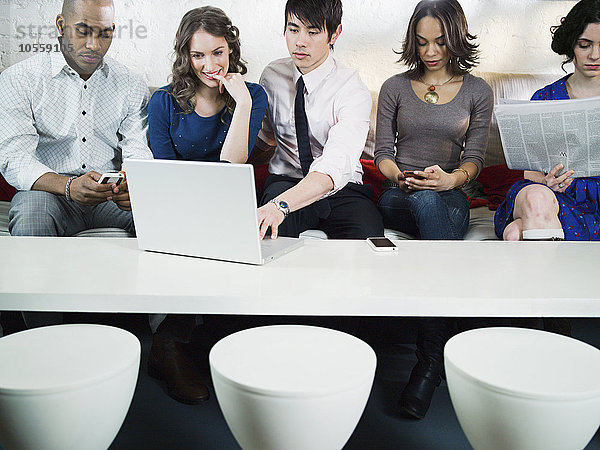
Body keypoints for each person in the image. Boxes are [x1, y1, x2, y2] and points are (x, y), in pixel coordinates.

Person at [374, 0, 493, 419]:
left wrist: (449, 180)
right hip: (399, 195)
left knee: (433, 200)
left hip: (452, 196)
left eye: (440, 41)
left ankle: (430, 360)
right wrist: (399, 177)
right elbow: (383, 154)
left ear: (456, 38)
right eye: (422, 42)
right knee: (422, 198)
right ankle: (434, 359)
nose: (430, 51)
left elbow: (474, 158)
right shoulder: (393, 87)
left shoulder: (478, 91)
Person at [146, 6, 268, 405]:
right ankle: (170, 346)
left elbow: (234, 167)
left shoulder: (253, 96)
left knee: (231, 240)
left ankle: (202, 345)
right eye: (198, 55)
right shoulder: (164, 101)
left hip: (229, 205)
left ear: (231, 50)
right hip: (178, 204)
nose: (209, 65)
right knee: (193, 236)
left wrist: (243, 103)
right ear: (186, 55)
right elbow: (163, 173)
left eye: (218, 53)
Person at [0, 0, 152, 237]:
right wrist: (68, 186)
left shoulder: (131, 84)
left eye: (104, 34)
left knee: (160, 212)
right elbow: (15, 159)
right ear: (61, 25)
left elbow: (138, 151)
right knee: (32, 213)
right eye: (82, 31)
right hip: (49, 195)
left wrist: (130, 184)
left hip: (109, 198)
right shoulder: (19, 80)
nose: (93, 45)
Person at [495, 0, 600, 338]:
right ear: (572, 44)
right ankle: (556, 327)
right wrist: (545, 178)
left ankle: (530, 332)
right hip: (553, 197)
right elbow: (521, 168)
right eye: (585, 45)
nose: (594, 55)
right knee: (537, 200)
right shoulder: (547, 96)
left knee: (516, 235)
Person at [255, 0, 384, 241]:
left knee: (368, 243)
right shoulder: (272, 76)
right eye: (293, 30)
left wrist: (280, 206)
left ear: (335, 34)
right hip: (287, 180)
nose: (300, 42)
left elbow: (336, 164)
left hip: (342, 188)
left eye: (313, 32)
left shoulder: (352, 89)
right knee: (268, 235)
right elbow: (264, 139)